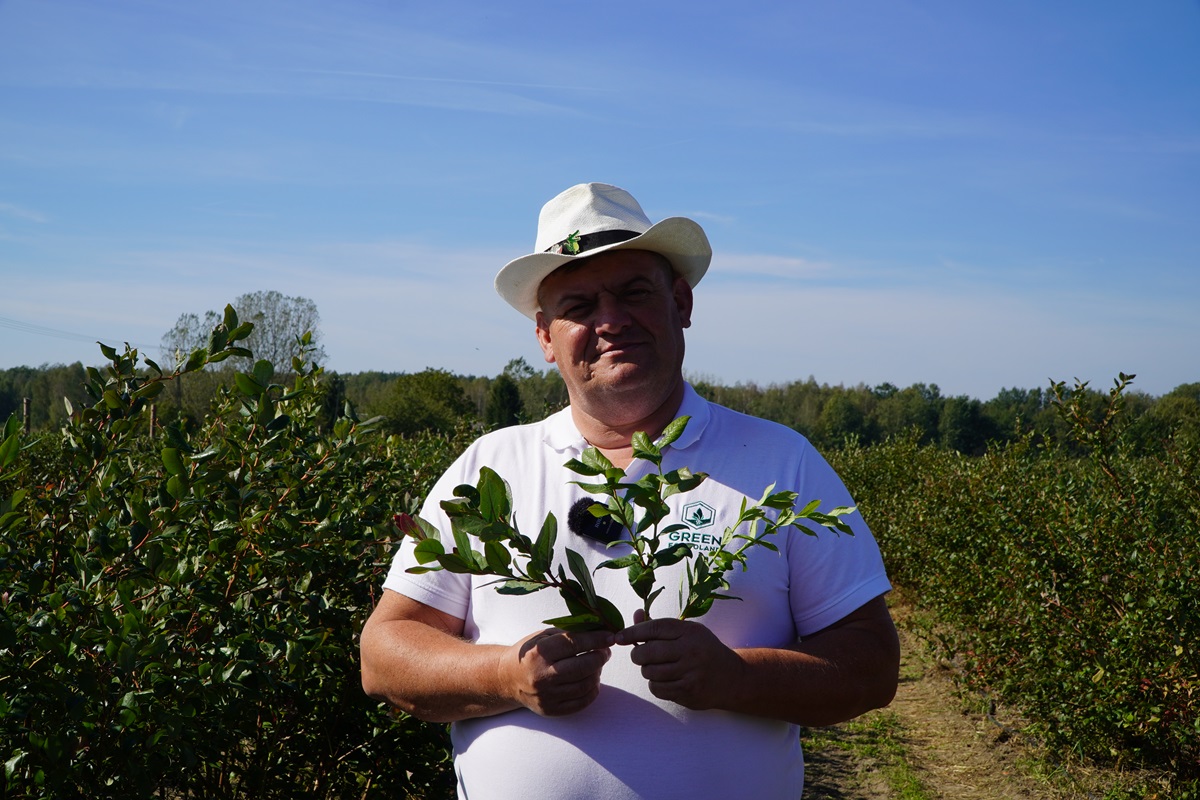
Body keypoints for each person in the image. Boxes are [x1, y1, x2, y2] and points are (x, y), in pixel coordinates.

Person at [360, 182, 900, 799]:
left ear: (681, 303)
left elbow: (871, 664)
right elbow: (384, 656)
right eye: (579, 304)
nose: (611, 320)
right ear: (546, 337)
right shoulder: (489, 469)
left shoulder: (783, 464)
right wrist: (506, 675)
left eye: (634, 292)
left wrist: (737, 677)